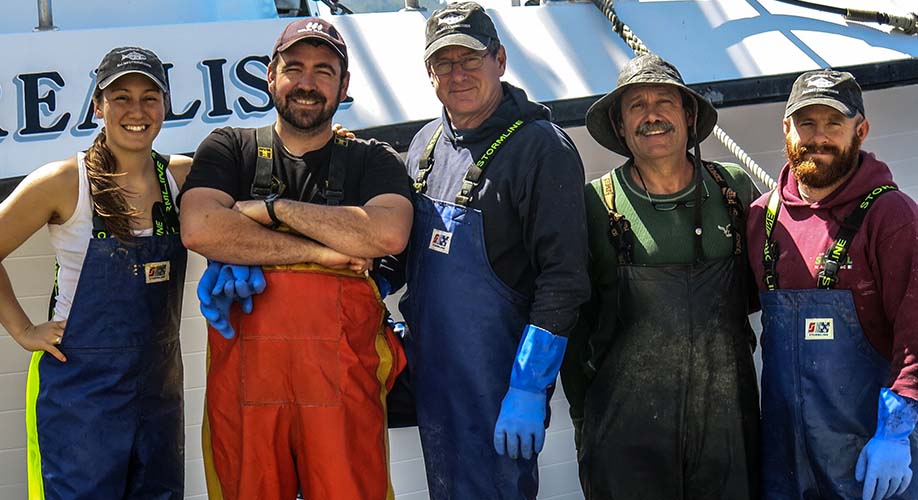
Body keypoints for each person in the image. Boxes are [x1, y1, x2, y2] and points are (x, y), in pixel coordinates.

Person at [178, 18, 414, 500]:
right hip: (247, 392)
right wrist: (323, 252)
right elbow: (200, 226)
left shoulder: (375, 160)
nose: (307, 83)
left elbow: (388, 233)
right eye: (295, 68)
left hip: (343, 388)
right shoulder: (229, 147)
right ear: (270, 76)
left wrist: (271, 210)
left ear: (343, 86)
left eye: (324, 71)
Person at [377, 2, 590, 498]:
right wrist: (364, 288)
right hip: (434, 379)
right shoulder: (426, 144)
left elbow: (564, 280)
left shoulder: (542, 150)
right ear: (429, 74)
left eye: (470, 59)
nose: (458, 74)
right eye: (443, 63)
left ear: (500, 60)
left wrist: (528, 387)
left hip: (497, 388)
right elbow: (400, 253)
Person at [560, 53, 761, 499]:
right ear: (619, 124)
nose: (652, 115)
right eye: (636, 105)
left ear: (688, 115)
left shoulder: (733, 190)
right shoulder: (595, 204)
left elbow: (780, 283)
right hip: (627, 434)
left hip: (726, 427)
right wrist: (583, 422)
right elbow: (573, 322)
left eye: (665, 102)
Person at [0, 47, 190, 499]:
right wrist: (24, 330)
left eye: (150, 97)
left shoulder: (183, 177)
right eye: (121, 97)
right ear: (97, 107)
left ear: (165, 105)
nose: (137, 111)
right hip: (79, 402)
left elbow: (270, 169)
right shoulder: (64, 182)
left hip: (159, 398)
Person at [747, 69, 918, 500]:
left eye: (833, 124)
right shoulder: (761, 219)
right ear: (786, 129)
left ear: (860, 131)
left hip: (871, 462)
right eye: (807, 123)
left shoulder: (892, 216)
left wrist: (895, 434)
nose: (818, 137)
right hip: (785, 463)